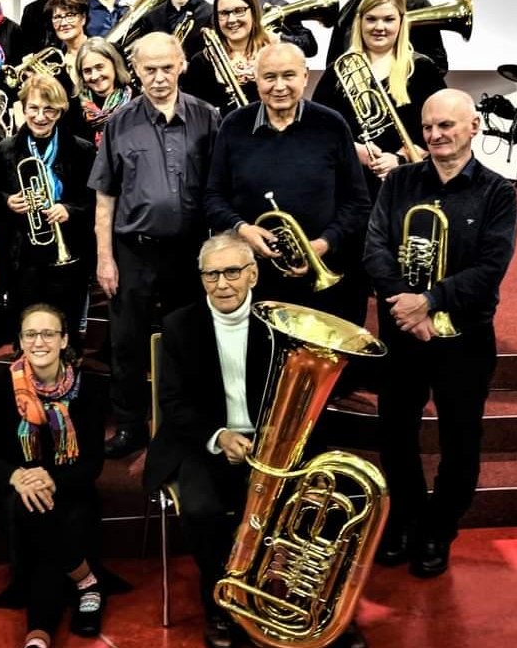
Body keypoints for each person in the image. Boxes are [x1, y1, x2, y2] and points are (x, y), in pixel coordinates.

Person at [143, 232, 368, 648]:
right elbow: (173, 402)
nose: (222, 284)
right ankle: (222, 607)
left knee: (330, 503)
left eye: (232, 272)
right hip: (205, 444)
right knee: (202, 509)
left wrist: (275, 436)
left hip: (277, 442)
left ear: (252, 274)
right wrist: (219, 436)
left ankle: (324, 608)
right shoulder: (179, 325)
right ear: (201, 278)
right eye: (212, 275)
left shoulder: (284, 322)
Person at [364, 89, 517, 578]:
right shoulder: (400, 182)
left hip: (465, 335)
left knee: (460, 437)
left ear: (473, 126)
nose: (435, 135)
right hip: (403, 331)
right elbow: (375, 249)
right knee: (396, 432)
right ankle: (406, 518)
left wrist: (429, 301)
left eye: (446, 126)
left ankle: (439, 529)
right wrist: (408, 309)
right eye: (429, 126)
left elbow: (491, 267)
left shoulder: (496, 191)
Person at [88, 32, 220, 458]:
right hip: (134, 251)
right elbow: (105, 196)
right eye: (150, 69)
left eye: (167, 67)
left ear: (182, 64)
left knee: (189, 340)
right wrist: (105, 259)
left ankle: (184, 424)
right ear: (137, 71)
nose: (159, 77)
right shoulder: (120, 122)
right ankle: (129, 426)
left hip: (191, 252)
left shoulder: (209, 117)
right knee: (126, 344)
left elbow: (222, 189)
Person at [0, 303, 107, 648]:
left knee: (46, 519)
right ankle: (86, 582)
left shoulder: (88, 388)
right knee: (33, 506)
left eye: (48, 333)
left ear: (63, 340)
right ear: (20, 340)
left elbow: (92, 463)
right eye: (30, 334)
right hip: (15, 486)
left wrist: (53, 479)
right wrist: (16, 475)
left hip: (71, 485)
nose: (38, 342)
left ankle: (38, 637)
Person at [204, 43, 371, 325]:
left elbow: (357, 203)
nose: (279, 86)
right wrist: (243, 230)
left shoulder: (331, 124)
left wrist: (323, 244)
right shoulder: (234, 125)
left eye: (289, 75)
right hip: (255, 277)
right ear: (256, 80)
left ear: (305, 77)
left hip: (324, 274)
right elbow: (212, 198)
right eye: (269, 77)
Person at [0, 74, 96, 349]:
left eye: (49, 109)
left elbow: (94, 201)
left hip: (67, 253)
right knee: (26, 323)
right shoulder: (7, 150)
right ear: (23, 109)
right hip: (23, 255)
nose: (40, 116)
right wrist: (7, 201)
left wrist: (68, 209)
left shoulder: (82, 149)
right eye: (33, 109)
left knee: (65, 326)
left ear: (60, 110)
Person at [313, 0, 446, 192]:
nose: (379, 27)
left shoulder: (422, 69)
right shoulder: (338, 71)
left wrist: (400, 158)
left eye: (388, 19)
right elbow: (319, 128)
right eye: (371, 19)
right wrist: (353, 149)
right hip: (350, 183)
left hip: (407, 181)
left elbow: (439, 126)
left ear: (401, 22)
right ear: (360, 22)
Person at [181, 0, 274, 116]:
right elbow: (194, 116)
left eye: (239, 11)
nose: (231, 20)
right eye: (224, 13)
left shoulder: (276, 56)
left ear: (253, 11)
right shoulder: (201, 63)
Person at [67, 37, 133, 146]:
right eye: (87, 71)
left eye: (99, 67)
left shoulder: (135, 101)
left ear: (114, 65)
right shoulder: (75, 109)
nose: (95, 76)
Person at [47, 0, 90, 93]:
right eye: (57, 17)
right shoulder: (54, 62)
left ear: (83, 19)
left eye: (70, 15)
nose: (64, 23)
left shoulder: (102, 50)